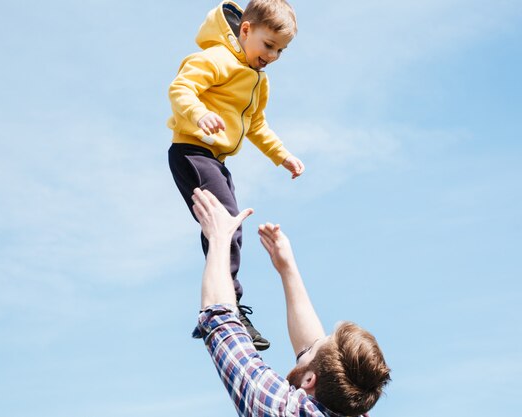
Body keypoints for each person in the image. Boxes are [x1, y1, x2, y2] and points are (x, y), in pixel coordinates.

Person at [167, 0, 305, 351]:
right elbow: (180, 89)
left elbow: (257, 126)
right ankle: (225, 306)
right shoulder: (216, 58)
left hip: (216, 160)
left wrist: (283, 155)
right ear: (246, 30)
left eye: (281, 51)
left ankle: (224, 301)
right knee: (227, 223)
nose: (273, 56)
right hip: (192, 151)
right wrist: (198, 115)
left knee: (227, 228)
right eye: (268, 45)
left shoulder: (259, 82)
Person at [191, 187, 391, 416]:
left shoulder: (280, 410)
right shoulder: (352, 403)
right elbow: (316, 355)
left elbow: (220, 320)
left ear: (309, 380)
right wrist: (287, 269)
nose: (311, 342)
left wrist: (218, 237)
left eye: (314, 347)